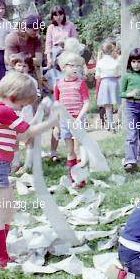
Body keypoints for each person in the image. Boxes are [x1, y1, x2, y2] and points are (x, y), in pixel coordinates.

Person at [0, 72, 58, 268]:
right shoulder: (2, 110)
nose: (21, 110)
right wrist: (50, 123)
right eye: (22, 105)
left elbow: (22, 137)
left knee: (8, 210)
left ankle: (1, 251)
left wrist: (39, 115)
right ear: (13, 97)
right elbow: (27, 133)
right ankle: (0, 258)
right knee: (1, 213)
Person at [55, 44, 91, 187]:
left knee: (78, 149)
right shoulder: (59, 85)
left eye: (78, 66)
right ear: (63, 67)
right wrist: (56, 125)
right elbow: (56, 105)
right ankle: (72, 177)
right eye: (72, 65)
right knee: (70, 151)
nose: (76, 68)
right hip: (65, 121)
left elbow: (87, 102)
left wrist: (79, 118)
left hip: (77, 120)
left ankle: (81, 179)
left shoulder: (81, 84)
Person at [4, 15, 44, 83]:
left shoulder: (37, 38)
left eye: (38, 30)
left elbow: (39, 61)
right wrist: (28, 60)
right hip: (14, 70)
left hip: (31, 70)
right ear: (25, 28)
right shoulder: (12, 38)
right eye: (34, 30)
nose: (37, 33)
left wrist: (22, 59)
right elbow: (10, 61)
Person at [95, 37, 122, 132]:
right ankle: (120, 120)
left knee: (108, 106)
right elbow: (119, 74)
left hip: (105, 83)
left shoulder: (100, 62)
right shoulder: (116, 61)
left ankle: (111, 125)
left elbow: (97, 76)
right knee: (119, 103)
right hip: (114, 82)